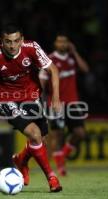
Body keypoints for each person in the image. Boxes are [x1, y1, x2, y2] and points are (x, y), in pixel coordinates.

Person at [0, 23, 62, 192]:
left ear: (22, 40)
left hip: (32, 97)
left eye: (16, 41)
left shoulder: (32, 48)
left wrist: (56, 97)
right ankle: (52, 178)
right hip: (6, 101)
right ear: (2, 41)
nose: (12, 45)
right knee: (35, 134)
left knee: (40, 140)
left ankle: (21, 160)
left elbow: (53, 69)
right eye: (8, 41)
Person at [39, 34, 89, 176]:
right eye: (59, 41)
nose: (62, 44)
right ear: (55, 44)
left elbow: (85, 69)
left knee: (80, 133)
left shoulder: (72, 58)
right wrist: (40, 102)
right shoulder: (49, 60)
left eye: (64, 42)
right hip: (56, 103)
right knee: (57, 135)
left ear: (68, 44)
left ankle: (62, 155)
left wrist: (75, 52)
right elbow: (41, 83)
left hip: (73, 103)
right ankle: (60, 167)